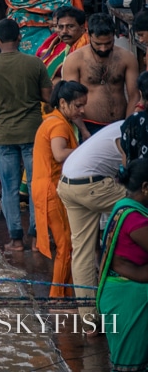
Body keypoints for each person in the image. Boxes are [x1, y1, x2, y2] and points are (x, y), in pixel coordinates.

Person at [0, 18, 53, 253]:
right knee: (35, 186)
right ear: (19, 37)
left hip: (5, 135)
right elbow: (48, 97)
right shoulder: (35, 63)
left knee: (9, 188)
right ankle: (37, 237)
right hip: (33, 133)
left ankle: (16, 241)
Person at [57, 119, 128, 318]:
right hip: (90, 185)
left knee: (82, 251)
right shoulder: (134, 128)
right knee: (139, 205)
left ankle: (89, 320)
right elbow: (130, 170)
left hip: (67, 184)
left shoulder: (119, 126)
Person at [32, 80, 88, 298]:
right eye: (78, 106)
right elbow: (59, 154)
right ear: (63, 103)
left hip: (48, 188)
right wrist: (84, 150)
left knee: (68, 244)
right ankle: (57, 297)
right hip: (50, 191)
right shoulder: (57, 124)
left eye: (84, 105)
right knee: (66, 245)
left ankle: (69, 291)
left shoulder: (55, 119)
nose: (82, 110)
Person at [96, 157, 148, 368]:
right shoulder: (136, 220)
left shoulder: (121, 208)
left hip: (119, 293)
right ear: (145, 187)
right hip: (129, 299)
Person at [62, 14, 141, 132]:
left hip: (120, 123)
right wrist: (83, 130)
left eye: (108, 43)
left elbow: (134, 95)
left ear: (114, 36)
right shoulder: (75, 60)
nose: (103, 48)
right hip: (88, 125)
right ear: (89, 36)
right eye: (98, 44)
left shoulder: (127, 58)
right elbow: (70, 99)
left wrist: (127, 125)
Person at [3, 0, 72, 54]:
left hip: (42, 37)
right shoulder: (11, 1)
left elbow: (64, 0)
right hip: (22, 43)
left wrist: (56, 21)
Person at [36, 6, 88, 79]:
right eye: (60, 27)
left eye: (70, 26)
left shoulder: (87, 45)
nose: (64, 31)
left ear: (82, 27)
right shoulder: (63, 43)